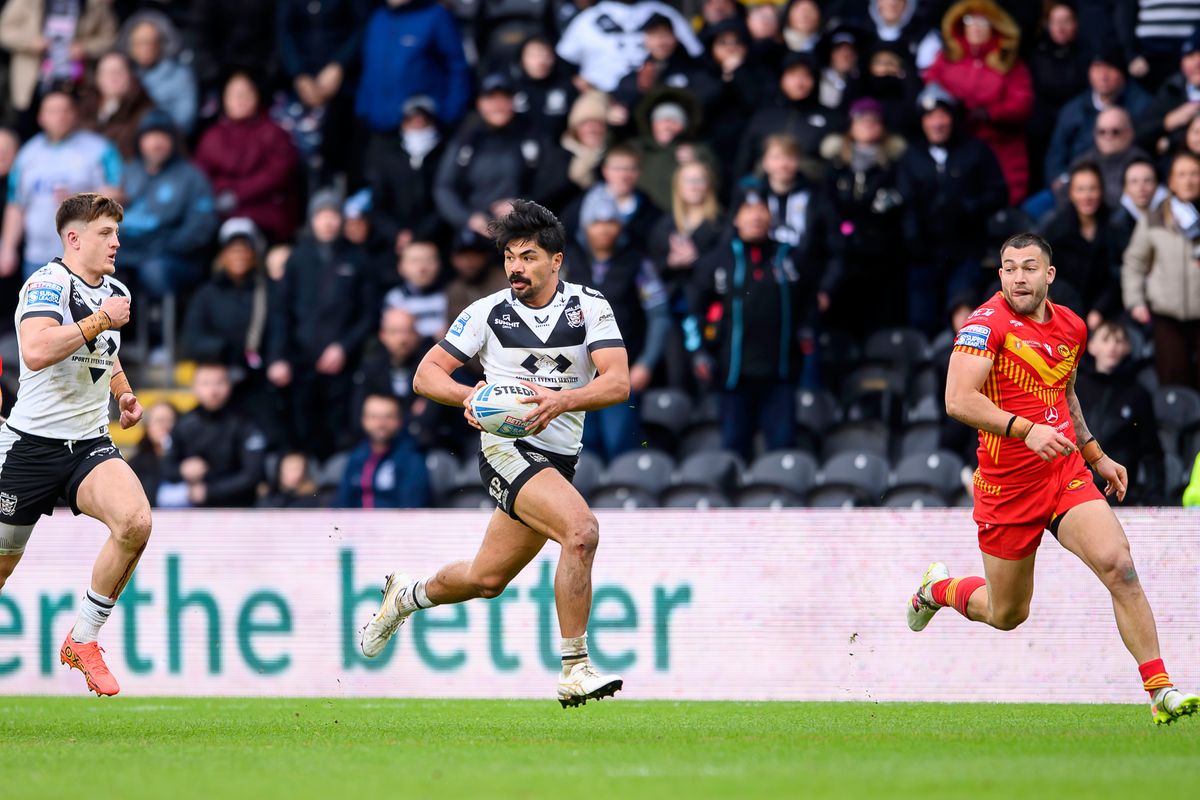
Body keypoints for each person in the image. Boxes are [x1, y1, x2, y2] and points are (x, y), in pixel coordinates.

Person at [906, 232, 1200, 726]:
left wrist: (1095, 454)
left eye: (1028, 267)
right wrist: (1025, 429)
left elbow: (1063, 394)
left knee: (1119, 567)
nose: (1018, 276)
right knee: (1007, 614)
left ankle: (1160, 689)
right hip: (1006, 488)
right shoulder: (984, 325)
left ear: (1049, 275)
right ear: (999, 275)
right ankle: (938, 589)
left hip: (1063, 474)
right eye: (1009, 267)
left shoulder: (1072, 327)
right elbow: (957, 399)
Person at [360, 200, 629, 708]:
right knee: (581, 532)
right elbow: (425, 375)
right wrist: (470, 397)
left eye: (527, 256)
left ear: (556, 260)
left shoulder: (590, 307)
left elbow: (618, 381)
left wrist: (562, 400)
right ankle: (575, 667)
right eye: (509, 256)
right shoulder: (484, 313)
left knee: (486, 580)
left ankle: (406, 596)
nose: (515, 268)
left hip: (558, 458)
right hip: (507, 449)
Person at [0, 192, 148, 697]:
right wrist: (101, 319)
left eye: (117, 233)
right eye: (105, 233)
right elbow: (37, 349)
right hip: (28, 448)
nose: (115, 242)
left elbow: (104, 354)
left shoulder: (114, 289)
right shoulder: (46, 283)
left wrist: (124, 393)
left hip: (87, 444)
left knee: (136, 523)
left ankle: (83, 639)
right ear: (73, 238)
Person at [684, 189, 808, 459]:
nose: (756, 216)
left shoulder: (789, 257)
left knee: (782, 450)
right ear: (736, 218)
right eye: (748, 210)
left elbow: (809, 307)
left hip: (780, 374)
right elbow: (692, 312)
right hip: (733, 375)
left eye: (762, 208)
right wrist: (698, 353)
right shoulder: (716, 260)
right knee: (734, 451)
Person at [563, 187, 670, 459]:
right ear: (586, 225)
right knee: (581, 451)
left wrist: (646, 363)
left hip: (620, 373)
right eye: (596, 222)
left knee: (620, 445)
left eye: (611, 221)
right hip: (574, 375)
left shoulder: (637, 263)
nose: (604, 229)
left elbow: (659, 315)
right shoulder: (566, 263)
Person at [268, 191, 375, 457]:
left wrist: (343, 347)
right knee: (301, 427)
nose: (327, 222)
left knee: (340, 430)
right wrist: (278, 357)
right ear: (312, 220)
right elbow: (281, 312)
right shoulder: (298, 258)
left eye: (333, 215)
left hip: (345, 364)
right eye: (321, 215)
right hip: (300, 362)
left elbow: (369, 314)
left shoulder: (358, 259)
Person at [898, 83, 1008, 334]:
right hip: (922, 254)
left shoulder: (976, 151)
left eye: (942, 115)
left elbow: (999, 193)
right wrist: (912, 238)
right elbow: (905, 204)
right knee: (921, 320)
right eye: (929, 116)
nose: (937, 123)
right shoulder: (910, 156)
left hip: (965, 249)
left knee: (964, 316)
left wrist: (967, 208)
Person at [922, 0, 1034, 205]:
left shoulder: (1008, 62)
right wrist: (951, 109)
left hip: (1000, 146)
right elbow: (931, 90)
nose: (976, 27)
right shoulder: (947, 58)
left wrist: (990, 113)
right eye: (970, 20)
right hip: (956, 145)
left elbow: (1022, 104)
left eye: (983, 21)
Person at [432, 73, 571, 239]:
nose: (498, 106)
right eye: (491, 99)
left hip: (524, 228)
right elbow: (444, 187)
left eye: (504, 99)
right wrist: (468, 218)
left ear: (513, 102)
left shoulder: (532, 135)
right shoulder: (466, 138)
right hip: (476, 232)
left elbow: (554, 179)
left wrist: (524, 205)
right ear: (480, 104)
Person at [0, 91, 122, 279]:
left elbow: (119, 195)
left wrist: (80, 198)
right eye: (53, 111)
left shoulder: (99, 149)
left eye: (65, 110)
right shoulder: (27, 154)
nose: (60, 116)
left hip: (87, 257)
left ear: (75, 114)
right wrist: (7, 248)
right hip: (37, 256)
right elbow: (16, 204)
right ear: (41, 117)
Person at [118, 111, 218, 299]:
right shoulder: (127, 172)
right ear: (140, 140)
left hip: (172, 256)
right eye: (150, 136)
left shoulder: (192, 176)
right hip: (127, 251)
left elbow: (202, 225)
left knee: (153, 271)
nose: (156, 143)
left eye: (162, 136)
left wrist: (164, 246)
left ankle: (162, 327)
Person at [1122, 151, 1200, 389]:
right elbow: (1135, 261)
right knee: (1173, 381)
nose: (1188, 180)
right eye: (1182, 175)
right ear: (1172, 181)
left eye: (1194, 174)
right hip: (1166, 316)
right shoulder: (1155, 218)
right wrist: (1135, 301)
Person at [193, 72, 300, 244]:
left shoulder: (274, 132)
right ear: (224, 99)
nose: (241, 99)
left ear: (256, 96)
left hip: (264, 210)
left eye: (246, 93)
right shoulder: (211, 136)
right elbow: (199, 177)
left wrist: (237, 194)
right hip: (220, 211)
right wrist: (221, 194)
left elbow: (278, 174)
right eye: (235, 94)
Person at [1074, 320, 1164, 506]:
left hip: (1120, 492)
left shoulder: (1138, 394)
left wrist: (1154, 495)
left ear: (1128, 348)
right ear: (1091, 347)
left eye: (1119, 341)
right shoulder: (1074, 388)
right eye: (1106, 340)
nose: (1113, 346)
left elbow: (1151, 451)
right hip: (1076, 486)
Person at [1044, 43, 1151, 194]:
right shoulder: (1073, 109)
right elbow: (1056, 154)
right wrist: (1061, 182)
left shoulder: (1142, 105)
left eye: (1110, 68)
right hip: (1074, 185)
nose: (1103, 75)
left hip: (1122, 186)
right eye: (1097, 68)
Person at [356, 0, 471, 136]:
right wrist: (363, 108)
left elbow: (457, 67)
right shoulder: (378, 17)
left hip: (422, 128)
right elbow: (369, 67)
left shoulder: (437, 16)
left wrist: (450, 113)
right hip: (378, 126)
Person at [161, 362, 267, 508]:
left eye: (219, 383)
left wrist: (210, 491)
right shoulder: (183, 424)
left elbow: (253, 474)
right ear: (194, 387)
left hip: (241, 509)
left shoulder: (245, 423)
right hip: (195, 512)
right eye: (205, 383)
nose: (213, 390)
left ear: (229, 386)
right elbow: (166, 468)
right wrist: (182, 470)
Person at [1036, 162, 1121, 326]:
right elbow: (1044, 271)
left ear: (1101, 191)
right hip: (1062, 310)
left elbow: (1117, 275)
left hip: (1106, 312)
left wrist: (1100, 310)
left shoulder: (1114, 225)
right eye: (1080, 189)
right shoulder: (1054, 227)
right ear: (1071, 193)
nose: (1087, 196)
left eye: (1092, 188)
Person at [365, 95, 446, 257]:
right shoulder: (387, 157)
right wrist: (398, 234)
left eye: (424, 123)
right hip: (392, 243)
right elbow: (378, 205)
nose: (418, 126)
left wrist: (420, 234)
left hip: (438, 240)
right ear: (403, 124)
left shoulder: (445, 155)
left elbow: (444, 202)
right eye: (412, 122)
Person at [336, 393, 430, 509]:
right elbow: (342, 505)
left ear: (399, 421)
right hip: (355, 525)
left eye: (388, 417)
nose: (381, 424)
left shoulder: (411, 459)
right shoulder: (356, 457)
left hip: (394, 525)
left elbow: (411, 509)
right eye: (374, 417)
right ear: (363, 420)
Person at [120, 11, 197, 134]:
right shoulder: (124, 72)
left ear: (161, 44)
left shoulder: (180, 75)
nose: (144, 49)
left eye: (149, 42)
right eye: (138, 43)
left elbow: (185, 120)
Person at [78, 51, 154, 161]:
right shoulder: (85, 106)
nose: (113, 77)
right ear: (98, 78)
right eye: (107, 73)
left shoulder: (145, 109)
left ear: (131, 76)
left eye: (119, 72)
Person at [383, 240, 447, 339]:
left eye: (428, 260)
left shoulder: (450, 296)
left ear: (439, 264)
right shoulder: (395, 299)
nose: (422, 268)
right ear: (401, 266)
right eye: (414, 261)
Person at [128, 400, 176, 507]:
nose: (165, 426)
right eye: (159, 421)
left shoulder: (186, 457)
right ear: (148, 427)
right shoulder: (136, 463)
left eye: (170, 421)